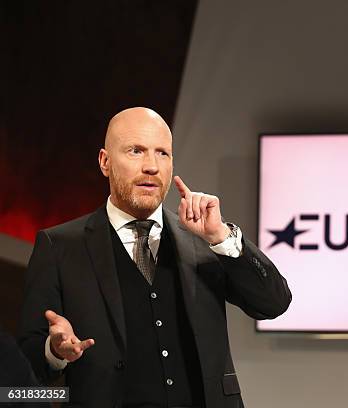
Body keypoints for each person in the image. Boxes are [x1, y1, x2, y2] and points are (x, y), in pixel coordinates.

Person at [18, 107, 291, 408]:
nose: (151, 166)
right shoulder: (59, 246)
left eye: (162, 153)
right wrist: (54, 353)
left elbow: (273, 304)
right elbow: (22, 374)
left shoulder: (204, 239)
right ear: (105, 162)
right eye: (136, 151)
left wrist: (221, 237)